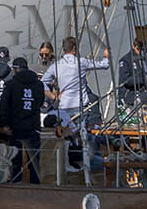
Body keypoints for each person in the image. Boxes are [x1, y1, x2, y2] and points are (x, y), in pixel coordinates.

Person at [41, 36, 109, 173]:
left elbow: (42, 82)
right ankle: (87, 169)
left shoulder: (56, 66)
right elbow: (104, 65)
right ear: (74, 48)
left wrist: (53, 96)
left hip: (63, 107)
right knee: (82, 139)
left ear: (64, 49)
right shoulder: (81, 62)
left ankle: (66, 167)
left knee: (66, 138)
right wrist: (106, 56)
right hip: (80, 107)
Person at [0, 56, 44, 184]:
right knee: (34, 160)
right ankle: (35, 187)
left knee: (15, 160)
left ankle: (16, 184)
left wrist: (4, 124)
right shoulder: (39, 84)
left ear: (16, 70)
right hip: (33, 126)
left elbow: (3, 106)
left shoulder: (11, 85)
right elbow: (40, 102)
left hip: (15, 127)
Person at [117, 37, 147, 107]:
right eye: (138, 49)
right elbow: (126, 80)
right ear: (133, 46)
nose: (140, 52)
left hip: (143, 94)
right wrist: (145, 79)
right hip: (129, 96)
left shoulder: (145, 59)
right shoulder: (125, 60)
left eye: (143, 50)